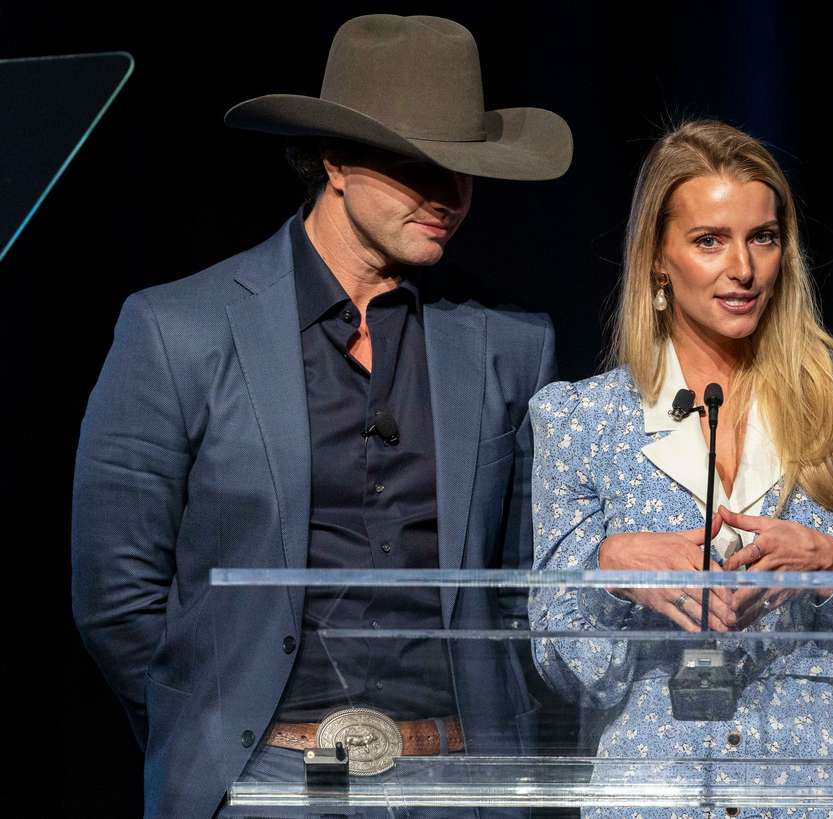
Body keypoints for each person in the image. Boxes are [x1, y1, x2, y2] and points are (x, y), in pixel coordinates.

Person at [71, 15, 569, 819]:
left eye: (464, 170)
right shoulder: (180, 330)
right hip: (265, 780)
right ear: (335, 159)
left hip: (457, 776)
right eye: (418, 168)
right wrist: (211, 725)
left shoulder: (509, 344)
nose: (447, 196)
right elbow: (116, 596)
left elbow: (522, 586)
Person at [528, 120, 833, 818]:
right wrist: (612, 567)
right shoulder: (579, 420)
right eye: (709, 241)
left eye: (763, 236)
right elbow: (566, 663)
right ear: (658, 258)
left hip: (818, 793)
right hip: (651, 795)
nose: (744, 268)